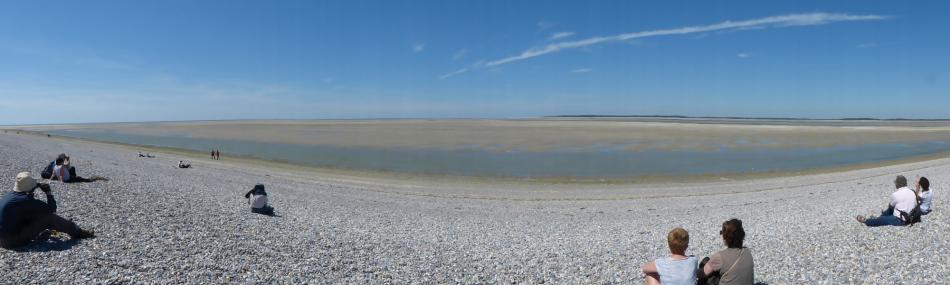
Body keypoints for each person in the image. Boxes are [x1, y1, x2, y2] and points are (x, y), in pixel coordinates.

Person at [0, 172, 95, 249]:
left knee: (33, 214)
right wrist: (48, 193)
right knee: (50, 219)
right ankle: (77, 232)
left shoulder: (9, 195)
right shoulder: (25, 200)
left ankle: (65, 227)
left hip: (2, 239)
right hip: (12, 242)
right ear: (31, 188)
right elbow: (51, 210)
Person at [699, 219, 754, 285]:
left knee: (705, 262)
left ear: (725, 237)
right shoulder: (747, 252)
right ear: (742, 235)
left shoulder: (720, 256)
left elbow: (701, 274)